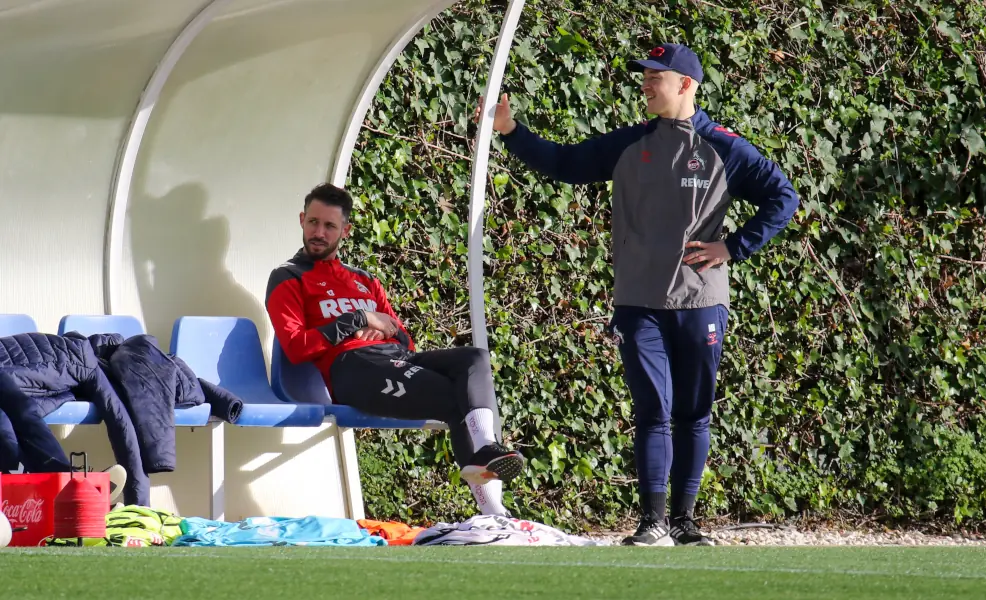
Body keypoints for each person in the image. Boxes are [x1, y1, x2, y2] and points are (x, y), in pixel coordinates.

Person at [476, 43, 800, 545]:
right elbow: (565, 163)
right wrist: (511, 133)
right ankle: (652, 523)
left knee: (694, 412)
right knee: (652, 408)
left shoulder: (724, 147)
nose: (646, 84)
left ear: (686, 85)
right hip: (638, 301)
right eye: (644, 76)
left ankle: (686, 523)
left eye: (656, 76)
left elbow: (784, 197)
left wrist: (733, 246)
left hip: (700, 302)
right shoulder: (630, 144)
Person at [265, 183, 525, 516]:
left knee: (474, 359)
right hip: (353, 369)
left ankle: (486, 451)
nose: (319, 232)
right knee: (456, 398)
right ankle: (493, 512)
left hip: (395, 359)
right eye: (313, 222)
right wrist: (358, 318)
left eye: (329, 226)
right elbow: (296, 346)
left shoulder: (364, 280)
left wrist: (380, 330)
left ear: (345, 230)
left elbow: (402, 337)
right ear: (302, 220)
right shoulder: (288, 277)